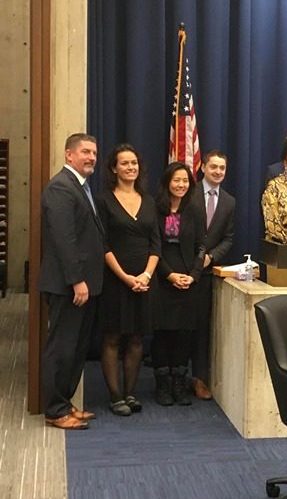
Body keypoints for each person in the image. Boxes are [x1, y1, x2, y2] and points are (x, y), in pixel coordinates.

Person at [39, 133, 103, 430]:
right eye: (85, 152)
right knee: (62, 349)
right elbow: (65, 241)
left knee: (76, 349)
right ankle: (54, 410)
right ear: (69, 155)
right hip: (68, 286)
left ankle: (64, 403)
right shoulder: (60, 188)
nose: (91, 157)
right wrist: (77, 280)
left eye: (94, 153)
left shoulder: (81, 187)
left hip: (84, 286)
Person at [95, 144, 160, 416]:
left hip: (144, 280)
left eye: (134, 163)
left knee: (136, 338)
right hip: (114, 279)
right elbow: (102, 244)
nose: (130, 167)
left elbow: (156, 244)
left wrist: (145, 275)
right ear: (114, 168)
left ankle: (131, 393)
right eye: (125, 163)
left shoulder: (149, 200)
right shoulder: (103, 200)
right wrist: (125, 277)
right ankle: (115, 396)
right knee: (112, 337)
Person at [152, 162, 204, 406]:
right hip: (163, 278)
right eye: (176, 180)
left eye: (185, 181)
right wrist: (169, 275)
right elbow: (153, 248)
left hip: (188, 280)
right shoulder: (155, 208)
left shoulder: (194, 209)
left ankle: (179, 383)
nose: (181, 185)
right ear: (167, 182)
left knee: (184, 333)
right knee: (163, 333)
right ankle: (162, 384)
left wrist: (193, 275)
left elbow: (200, 247)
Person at [189, 150, 235, 400]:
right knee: (178, 326)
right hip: (183, 269)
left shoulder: (229, 201)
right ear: (203, 167)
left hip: (207, 273)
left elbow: (228, 238)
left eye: (222, 168)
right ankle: (171, 378)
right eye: (213, 167)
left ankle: (199, 378)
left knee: (203, 329)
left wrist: (211, 257)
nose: (218, 172)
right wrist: (194, 259)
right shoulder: (189, 192)